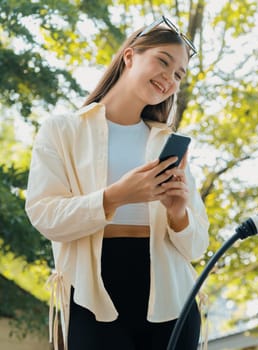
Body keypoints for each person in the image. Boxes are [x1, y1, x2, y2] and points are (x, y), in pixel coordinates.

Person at [25, 16, 209, 350]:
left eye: (178, 74)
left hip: (172, 298)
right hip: (91, 293)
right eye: (163, 62)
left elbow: (197, 248)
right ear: (129, 56)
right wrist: (115, 197)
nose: (169, 78)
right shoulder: (63, 130)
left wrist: (179, 213)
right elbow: (44, 215)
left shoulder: (167, 143)